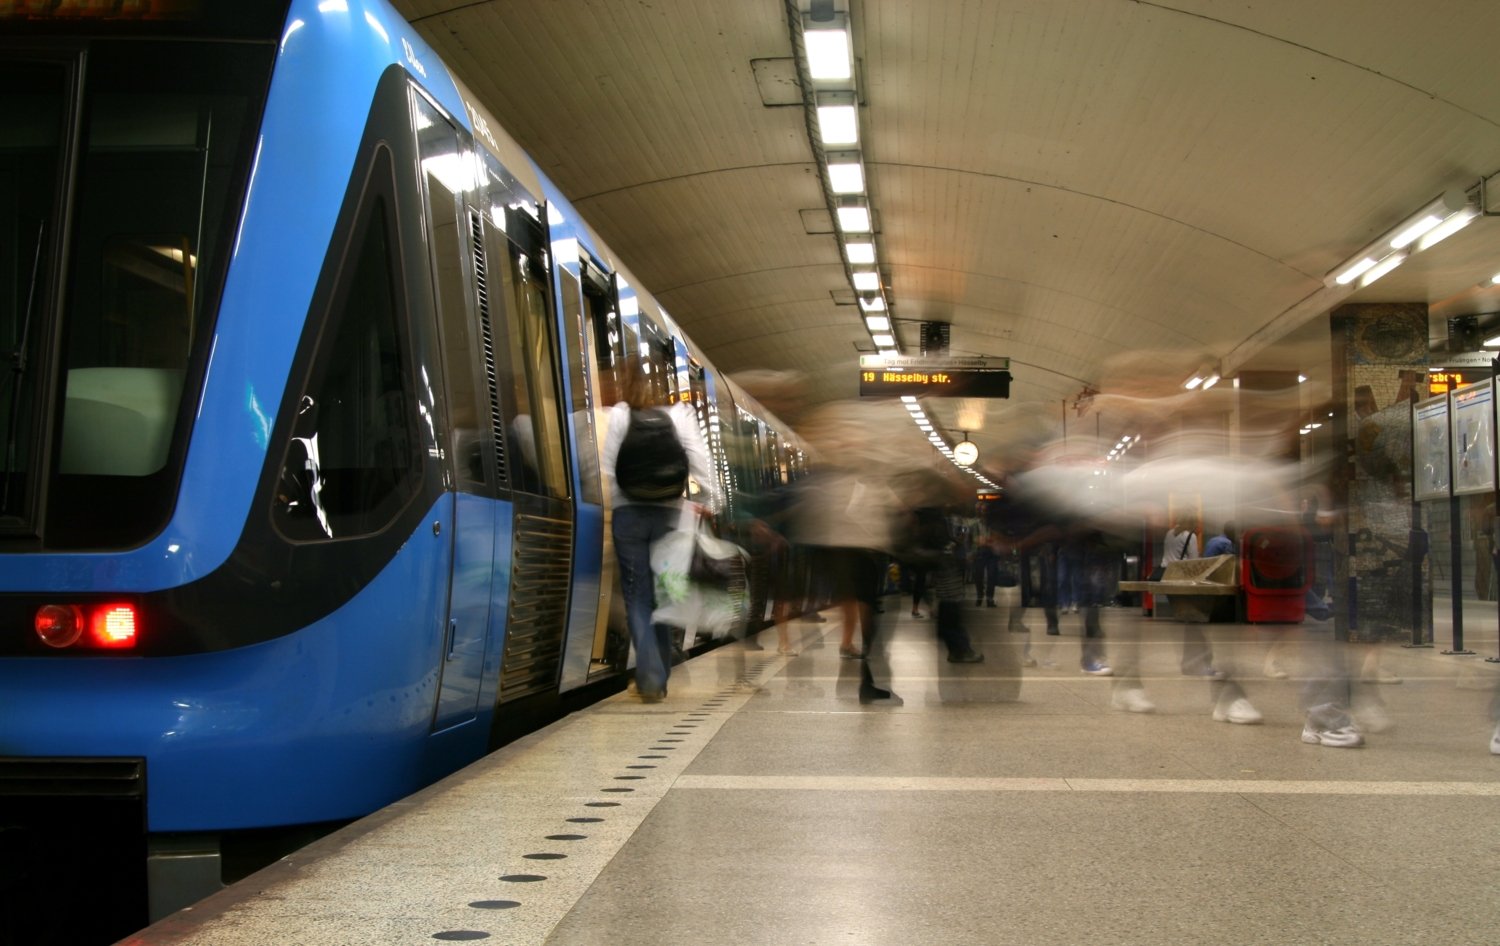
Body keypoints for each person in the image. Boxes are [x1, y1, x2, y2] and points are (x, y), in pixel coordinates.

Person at [601, 369, 718, 703]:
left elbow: (610, 469)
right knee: (663, 597)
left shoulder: (621, 416)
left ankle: (650, 678)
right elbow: (700, 460)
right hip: (669, 514)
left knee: (637, 597)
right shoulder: (679, 415)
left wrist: (620, 502)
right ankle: (659, 677)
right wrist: (710, 502)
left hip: (628, 517)